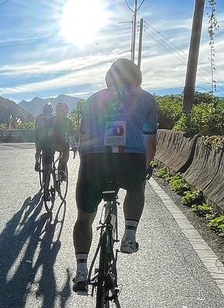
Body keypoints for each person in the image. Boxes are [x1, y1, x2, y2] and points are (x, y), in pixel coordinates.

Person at [72, 58, 158, 294]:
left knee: (84, 218)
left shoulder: (93, 100)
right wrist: (147, 165)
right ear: (136, 76)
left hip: (94, 162)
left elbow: (83, 135)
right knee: (137, 186)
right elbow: (150, 140)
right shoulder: (147, 99)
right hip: (131, 161)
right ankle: (129, 234)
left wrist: (87, 162)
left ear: (109, 77)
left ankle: (81, 270)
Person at [51, 102, 75, 181]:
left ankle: (46, 171)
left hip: (49, 144)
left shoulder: (50, 120)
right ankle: (61, 169)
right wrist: (74, 146)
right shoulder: (68, 122)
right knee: (66, 150)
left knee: (48, 158)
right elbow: (71, 136)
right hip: (61, 144)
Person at [34, 103, 54, 172]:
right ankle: (49, 164)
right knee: (51, 149)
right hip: (46, 136)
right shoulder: (52, 117)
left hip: (39, 135)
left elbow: (35, 127)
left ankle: (37, 162)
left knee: (38, 151)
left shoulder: (38, 117)